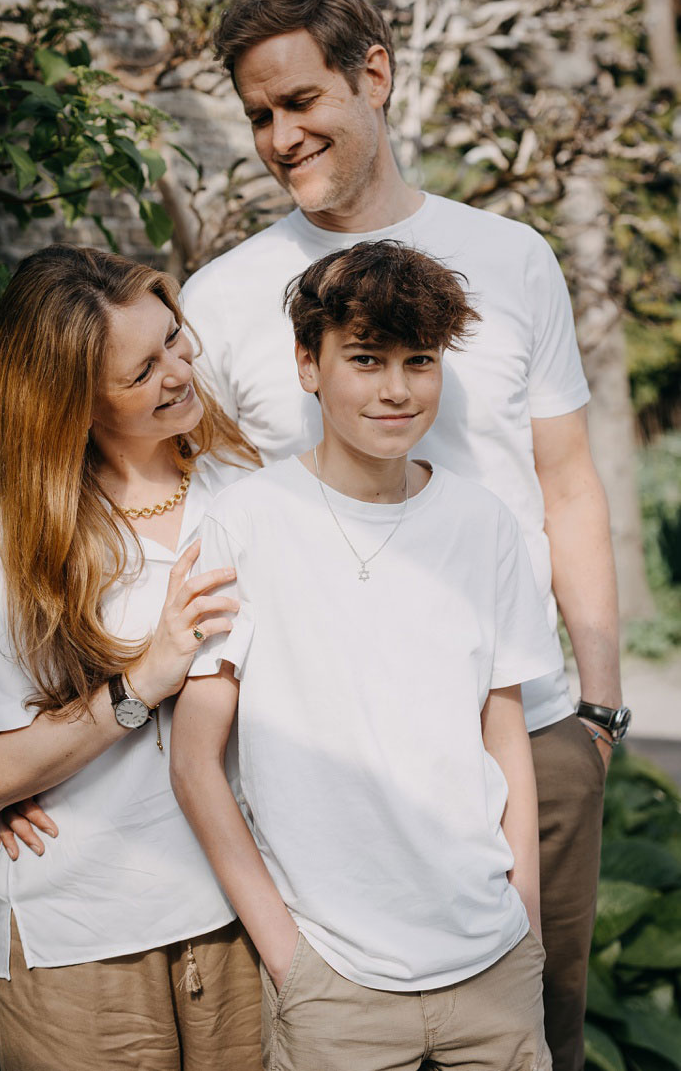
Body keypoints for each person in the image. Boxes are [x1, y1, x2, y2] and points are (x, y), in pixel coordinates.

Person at [174, 0, 623, 1069]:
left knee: (537, 1045)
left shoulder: (514, 258)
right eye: (259, 116)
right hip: (324, 776)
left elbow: (566, 480)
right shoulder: (226, 300)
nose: (281, 136)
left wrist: (599, 714)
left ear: (373, 74)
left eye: (300, 102)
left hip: (526, 729)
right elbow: (179, 517)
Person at [176, 239, 556, 1070]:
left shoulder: (482, 524)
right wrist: (287, 954)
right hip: (333, 977)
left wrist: (522, 913)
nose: (397, 388)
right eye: (365, 358)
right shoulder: (245, 523)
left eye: (420, 360)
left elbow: (505, 735)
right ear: (308, 366)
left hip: (492, 962)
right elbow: (195, 759)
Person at [0, 244, 262, 1069]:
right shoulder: (21, 541)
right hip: (82, 931)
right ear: (74, 405)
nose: (179, 374)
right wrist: (143, 680)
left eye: (175, 341)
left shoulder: (253, 487)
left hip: (244, 913)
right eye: (141, 371)